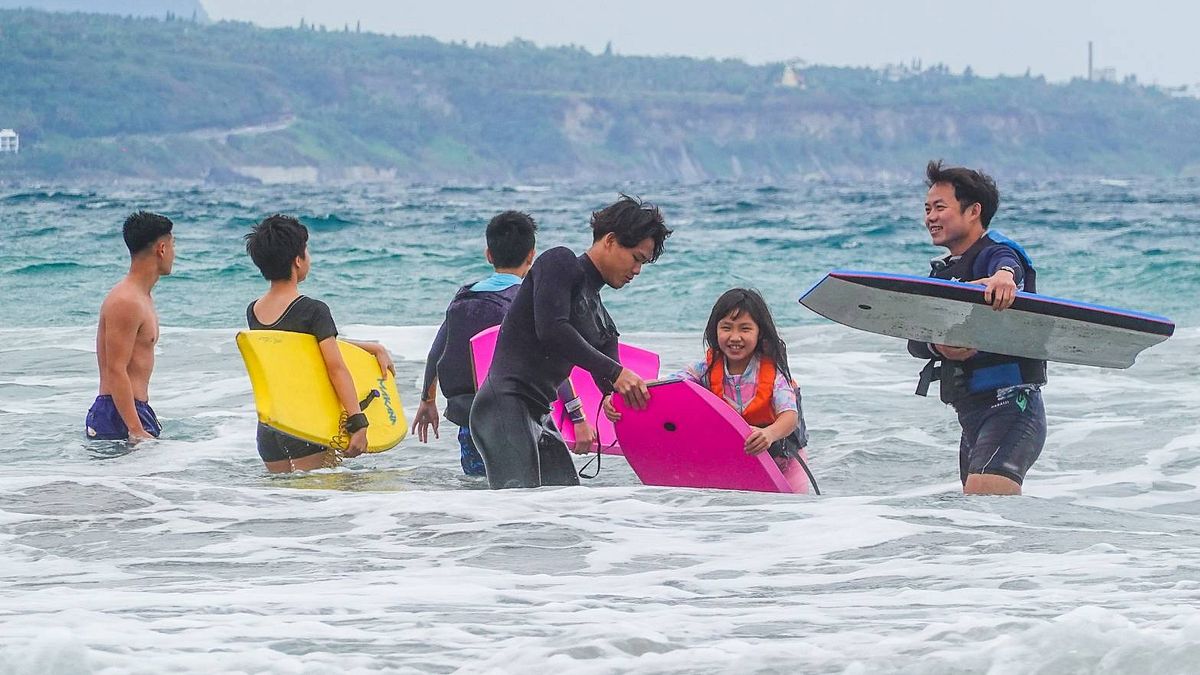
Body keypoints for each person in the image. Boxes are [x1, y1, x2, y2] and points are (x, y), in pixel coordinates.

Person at [470, 194, 672, 489]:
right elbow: (551, 331)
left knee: (565, 506)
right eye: (636, 258)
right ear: (610, 241)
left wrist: (618, 397)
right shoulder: (559, 263)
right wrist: (617, 375)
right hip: (504, 404)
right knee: (516, 514)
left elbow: (610, 377)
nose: (637, 270)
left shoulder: (601, 319)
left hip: (540, 415)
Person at [411, 211, 595, 476]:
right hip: (515, 417)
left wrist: (427, 401)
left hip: (472, 419)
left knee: (483, 492)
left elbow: (438, 350)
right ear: (532, 255)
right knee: (525, 491)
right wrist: (577, 418)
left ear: (489, 254)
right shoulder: (528, 300)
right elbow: (550, 363)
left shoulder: (463, 296)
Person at [909, 160, 1048, 495]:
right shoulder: (943, 274)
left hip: (1013, 405)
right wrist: (940, 347)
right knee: (978, 524)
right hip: (971, 415)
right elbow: (915, 340)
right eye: (927, 208)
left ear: (973, 211)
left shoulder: (996, 252)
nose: (930, 217)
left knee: (986, 501)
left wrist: (1004, 279)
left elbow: (1008, 266)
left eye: (940, 207)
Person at [244, 214, 395, 473]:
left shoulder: (254, 311)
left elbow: (301, 348)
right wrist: (358, 421)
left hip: (270, 428)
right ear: (298, 260)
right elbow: (335, 367)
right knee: (319, 503)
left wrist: (370, 347)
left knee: (281, 505)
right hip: (306, 422)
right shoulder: (314, 310)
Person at [604, 288, 809, 472]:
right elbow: (669, 385)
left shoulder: (774, 372)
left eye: (745, 329)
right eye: (727, 328)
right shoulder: (707, 367)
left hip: (777, 452)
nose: (735, 337)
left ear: (759, 333)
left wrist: (770, 434)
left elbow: (789, 416)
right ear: (715, 330)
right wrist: (621, 394)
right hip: (734, 453)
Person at [86, 211, 175, 443]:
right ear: (162, 248)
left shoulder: (141, 297)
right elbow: (116, 368)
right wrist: (135, 428)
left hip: (130, 411)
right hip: (118, 416)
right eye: (173, 246)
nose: (175, 254)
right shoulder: (126, 301)